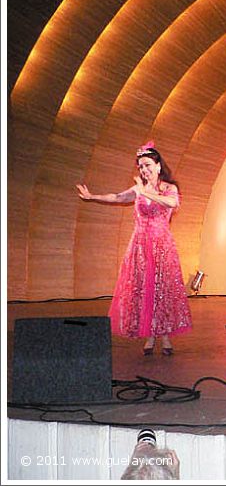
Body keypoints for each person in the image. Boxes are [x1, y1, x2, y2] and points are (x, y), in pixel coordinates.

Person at [76, 141, 193, 356]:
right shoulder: (138, 189)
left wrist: (144, 192)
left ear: (158, 166)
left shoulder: (169, 188)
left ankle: (165, 336)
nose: (144, 170)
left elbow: (171, 204)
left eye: (148, 165)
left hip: (161, 246)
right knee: (143, 290)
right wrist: (93, 197)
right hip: (140, 246)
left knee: (162, 290)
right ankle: (149, 335)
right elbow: (118, 197)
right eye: (140, 167)